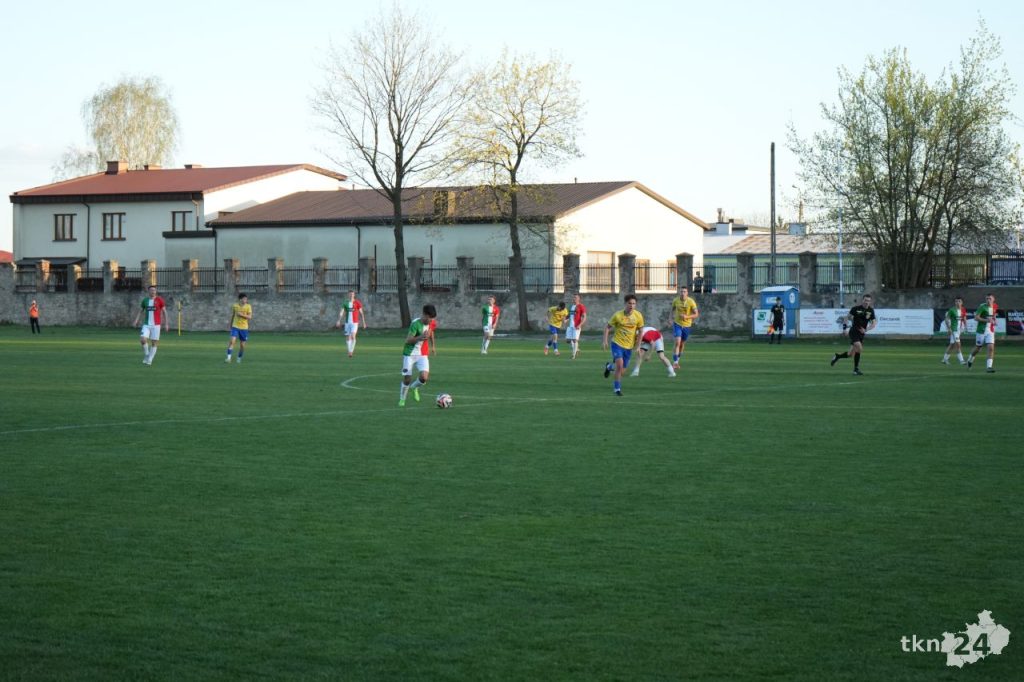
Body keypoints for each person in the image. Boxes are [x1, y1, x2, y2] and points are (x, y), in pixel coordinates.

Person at [603, 294, 644, 396]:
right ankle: (617, 389)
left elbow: (641, 331)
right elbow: (607, 327)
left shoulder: (638, 316)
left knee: (622, 371)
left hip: (629, 347)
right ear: (625, 304)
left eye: (634, 303)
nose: (631, 305)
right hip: (617, 344)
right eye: (629, 303)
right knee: (619, 365)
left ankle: (609, 367)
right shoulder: (618, 315)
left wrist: (638, 346)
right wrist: (605, 340)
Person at [398, 304, 437, 407]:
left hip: (422, 353)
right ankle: (402, 399)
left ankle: (414, 387)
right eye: (429, 318)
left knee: (424, 377)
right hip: (409, 353)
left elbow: (431, 332)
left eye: (432, 318)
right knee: (407, 379)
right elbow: (408, 340)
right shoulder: (415, 324)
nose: (431, 320)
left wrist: (433, 346)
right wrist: (420, 337)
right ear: (424, 314)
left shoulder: (432, 322)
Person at [830, 293, 877, 375]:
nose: (867, 302)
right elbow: (846, 318)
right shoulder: (855, 309)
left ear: (870, 302)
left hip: (861, 334)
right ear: (862, 300)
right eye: (865, 300)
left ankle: (837, 356)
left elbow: (873, 324)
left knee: (850, 354)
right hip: (854, 331)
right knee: (859, 348)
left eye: (868, 301)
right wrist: (844, 329)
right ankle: (856, 370)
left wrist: (866, 330)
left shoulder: (871, 311)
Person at [132, 285, 168, 366]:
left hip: (156, 325)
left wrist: (166, 324)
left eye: (154, 290)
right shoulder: (145, 300)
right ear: (148, 291)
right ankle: (147, 354)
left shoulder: (159, 300)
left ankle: (150, 359)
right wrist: (136, 321)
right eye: (151, 290)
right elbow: (140, 311)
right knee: (143, 339)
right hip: (146, 324)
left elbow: (164, 312)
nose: (153, 292)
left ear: (156, 291)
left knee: (154, 343)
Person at [669, 286, 699, 369]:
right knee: (677, 342)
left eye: (684, 291)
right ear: (680, 292)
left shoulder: (691, 301)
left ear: (687, 293)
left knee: (682, 344)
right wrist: (670, 319)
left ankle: (677, 359)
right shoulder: (676, 300)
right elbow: (672, 310)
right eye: (681, 291)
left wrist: (687, 317)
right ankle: (675, 362)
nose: (683, 293)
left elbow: (696, 314)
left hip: (687, 325)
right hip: (677, 324)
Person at [967, 293, 998, 373]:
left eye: (990, 298)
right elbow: (976, 318)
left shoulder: (995, 306)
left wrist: (995, 320)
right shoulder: (982, 307)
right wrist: (986, 320)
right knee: (978, 348)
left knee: (991, 348)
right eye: (987, 299)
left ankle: (989, 367)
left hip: (990, 330)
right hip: (981, 330)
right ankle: (970, 360)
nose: (988, 300)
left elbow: (994, 315)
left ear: (993, 299)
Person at [335, 290, 366, 358]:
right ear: (348, 295)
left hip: (355, 323)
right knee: (348, 337)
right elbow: (341, 312)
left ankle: (351, 351)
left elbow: (361, 313)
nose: (351, 295)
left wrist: (364, 322)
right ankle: (349, 351)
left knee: (353, 336)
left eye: (352, 294)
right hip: (347, 323)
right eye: (350, 294)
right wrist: (338, 320)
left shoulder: (357, 302)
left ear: (354, 295)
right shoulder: (345, 303)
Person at [225, 293, 252, 364]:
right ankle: (228, 358)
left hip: (244, 328)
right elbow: (233, 315)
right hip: (235, 326)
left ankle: (239, 357)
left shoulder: (248, 306)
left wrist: (241, 315)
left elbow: (249, 317)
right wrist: (230, 325)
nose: (245, 300)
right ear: (240, 299)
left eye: (246, 299)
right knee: (232, 341)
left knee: (242, 346)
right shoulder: (235, 306)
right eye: (244, 299)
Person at [941, 295, 967, 366]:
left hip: (959, 330)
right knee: (958, 344)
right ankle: (961, 360)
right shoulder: (952, 310)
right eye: (956, 301)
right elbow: (946, 319)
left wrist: (965, 326)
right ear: (955, 302)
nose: (957, 303)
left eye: (959, 301)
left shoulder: (963, 309)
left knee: (952, 345)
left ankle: (944, 359)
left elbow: (964, 318)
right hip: (954, 330)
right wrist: (949, 329)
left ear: (962, 302)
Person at [566, 293, 587, 359]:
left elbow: (584, 317)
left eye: (575, 297)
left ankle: (573, 355)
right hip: (570, 326)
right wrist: (566, 319)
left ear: (579, 299)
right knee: (568, 340)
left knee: (575, 340)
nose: (574, 299)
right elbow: (569, 315)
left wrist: (580, 325)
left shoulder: (581, 306)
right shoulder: (571, 306)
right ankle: (577, 349)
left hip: (576, 325)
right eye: (573, 297)